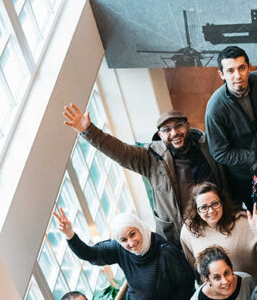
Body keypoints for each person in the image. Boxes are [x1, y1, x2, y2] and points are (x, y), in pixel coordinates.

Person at [63, 105, 225, 246]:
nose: (174, 133)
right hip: (180, 234)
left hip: (215, 221)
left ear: (188, 126)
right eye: (167, 130)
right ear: (160, 135)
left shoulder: (206, 146)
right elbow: (121, 152)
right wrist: (89, 131)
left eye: (178, 126)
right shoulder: (151, 157)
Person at [54, 209, 194, 300]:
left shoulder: (165, 252)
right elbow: (90, 254)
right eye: (124, 240)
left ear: (140, 228)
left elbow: (187, 285)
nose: (131, 243)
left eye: (133, 234)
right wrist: (69, 234)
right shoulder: (120, 249)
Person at [205, 46, 257, 206]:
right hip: (246, 175)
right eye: (230, 71)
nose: (238, 75)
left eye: (242, 68)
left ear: (249, 67)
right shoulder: (215, 108)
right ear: (221, 74)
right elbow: (219, 152)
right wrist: (254, 156)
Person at [180, 182, 257, 283]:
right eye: (204, 207)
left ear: (222, 203)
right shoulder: (188, 230)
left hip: (251, 287)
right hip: (216, 292)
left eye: (215, 203)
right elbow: (193, 264)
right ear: (197, 210)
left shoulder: (244, 222)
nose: (211, 211)